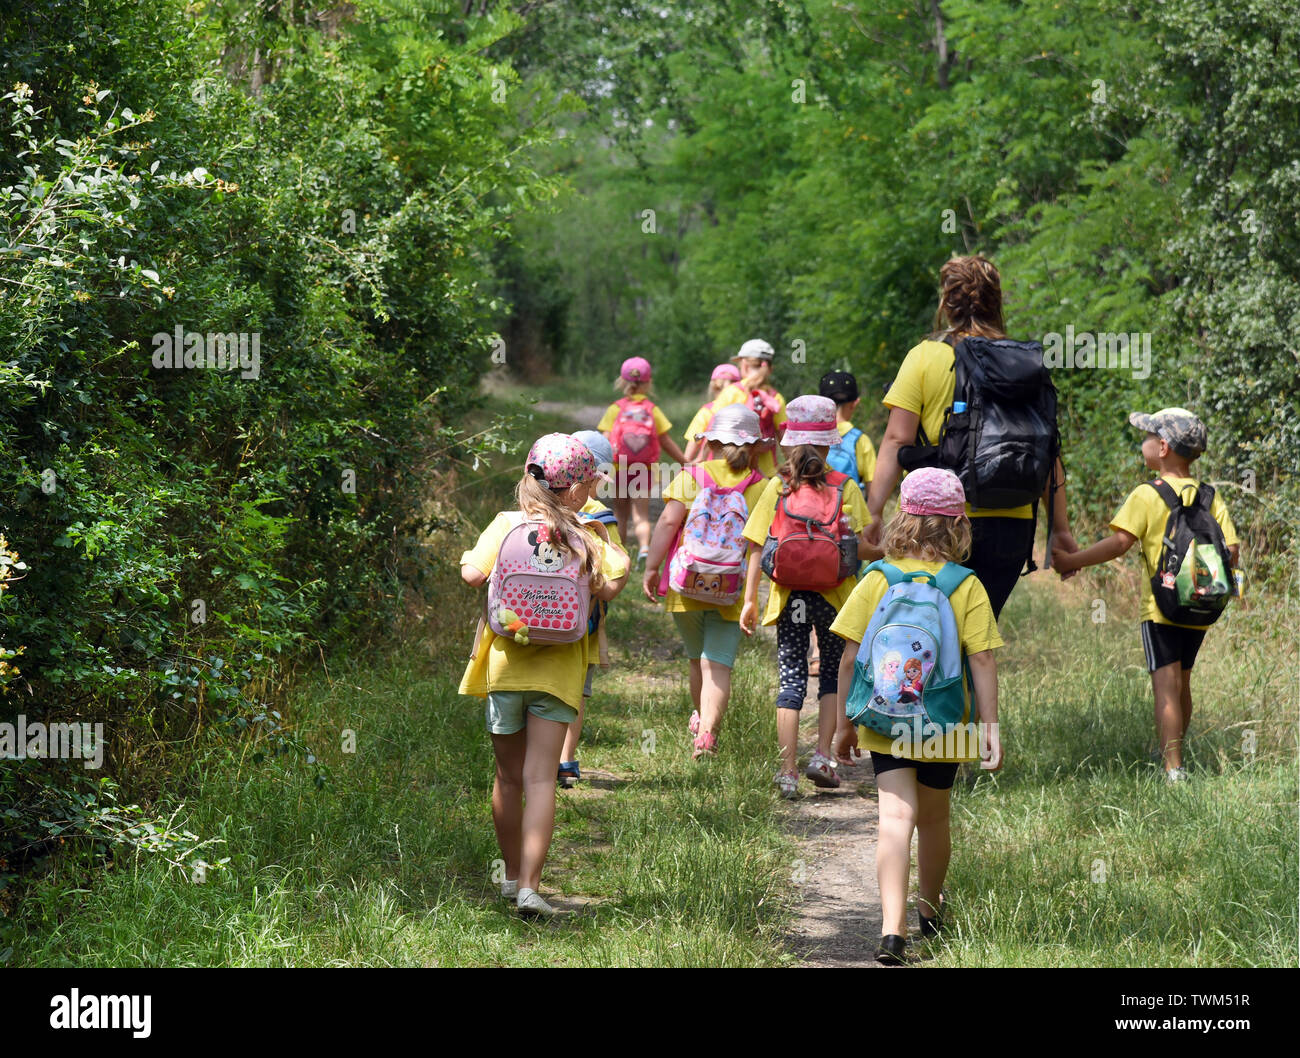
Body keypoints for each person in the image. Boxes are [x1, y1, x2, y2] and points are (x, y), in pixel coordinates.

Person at [832, 467, 1003, 964]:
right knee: (934, 818)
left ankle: (891, 931)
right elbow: (983, 660)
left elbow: (847, 658)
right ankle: (929, 911)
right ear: (958, 526)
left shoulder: (877, 578)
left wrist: (845, 724)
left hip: (884, 717)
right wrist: (988, 729)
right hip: (945, 721)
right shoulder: (964, 584)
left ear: (902, 518)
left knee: (893, 819)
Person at [459, 434, 629, 916]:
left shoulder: (506, 524)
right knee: (540, 780)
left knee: (507, 778)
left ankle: (510, 877)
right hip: (559, 672)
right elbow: (613, 584)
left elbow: (472, 574)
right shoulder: (587, 531)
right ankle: (533, 888)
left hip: (504, 666)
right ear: (576, 488)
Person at [866, 255, 1078, 618]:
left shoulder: (926, 356)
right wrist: (1060, 528)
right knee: (977, 634)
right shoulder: (1025, 362)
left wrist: (872, 512)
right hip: (1012, 525)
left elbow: (896, 441)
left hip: (942, 520)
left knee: (934, 636)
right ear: (997, 301)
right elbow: (1047, 449)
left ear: (946, 302)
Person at [1052, 409, 1239, 783]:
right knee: (1183, 681)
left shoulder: (1147, 494)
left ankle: (1173, 768)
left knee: (1165, 686)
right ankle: (1175, 750)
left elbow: (1119, 544)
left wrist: (1072, 560)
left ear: (1163, 447)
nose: (1143, 442)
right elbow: (1231, 551)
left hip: (1161, 608)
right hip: (1201, 605)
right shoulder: (1208, 496)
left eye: (1147, 436)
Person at [739, 395, 872, 798]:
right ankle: (822, 757)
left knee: (791, 679)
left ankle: (786, 771)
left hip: (788, 597)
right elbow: (861, 546)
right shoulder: (845, 486)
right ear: (831, 443)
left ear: (789, 442)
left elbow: (757, 546)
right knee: (830, 677)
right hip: (836, 600)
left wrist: (749, 599)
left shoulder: (778, 487)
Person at [641, 405, 767, 758]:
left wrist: (652, 568)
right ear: (756, 446)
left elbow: (667, 522)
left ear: (709, 440)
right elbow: (757, 545)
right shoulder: (763, 487)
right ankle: (708, 735)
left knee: (697, 659)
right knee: (719, 663)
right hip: (730, 588)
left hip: (686, 584)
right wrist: (751, 598)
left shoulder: (692, 474)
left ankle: (700, 717)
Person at [557, 430, 630, 788]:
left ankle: (536, 756)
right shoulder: (600, 516)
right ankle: (566, 760)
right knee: (575, 694)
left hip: (537, 618)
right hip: (582, 623)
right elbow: (614, 568)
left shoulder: (544, 507)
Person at [598, 356, 688, 568]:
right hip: (644, 470)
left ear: (621, 381)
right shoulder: (652, 409)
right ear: (648, 383)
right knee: (641, 514)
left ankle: (618, 552)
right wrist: (685, 461)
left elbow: (603, 439)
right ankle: (645, 549)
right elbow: (665, 441)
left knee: (620, 514)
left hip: (619, 469)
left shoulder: (615, 408)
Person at [708, 338, 788, 478]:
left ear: (744, 365)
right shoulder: (776, 398)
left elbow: (711, 430)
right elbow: (785, 439)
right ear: (770, 369)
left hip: (728, 471)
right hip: (764, 475)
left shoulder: (731, 392)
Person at [683, 363, 741, 463]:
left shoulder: (707, 411)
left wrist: (685, 467)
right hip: (740, 469)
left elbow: (692, 447)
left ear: (713, 386)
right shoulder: (745, 412)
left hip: (709, 471)